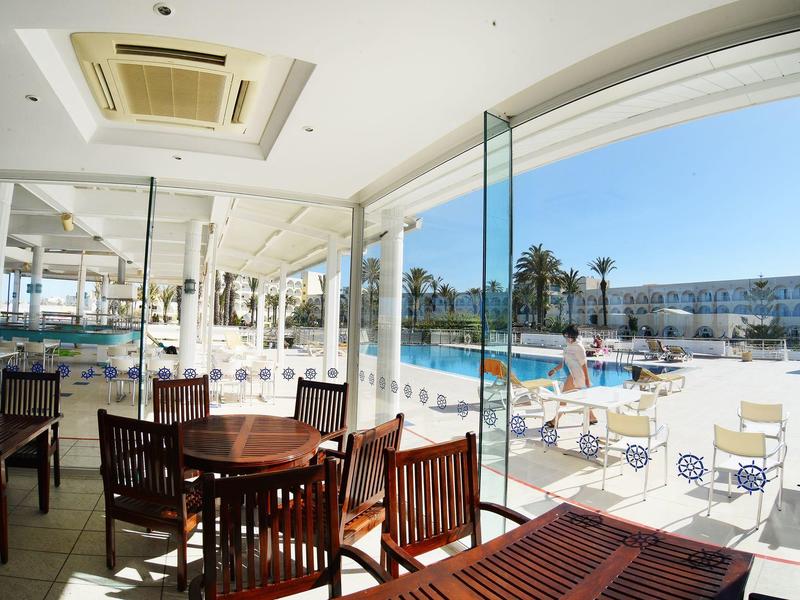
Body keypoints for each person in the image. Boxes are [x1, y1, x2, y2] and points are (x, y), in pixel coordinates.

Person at [545, 324, 596, 427]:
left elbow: (583, 363)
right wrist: (554, 370)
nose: (565, 338)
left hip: (576, 376)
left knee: (563, 397)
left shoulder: (578, 347)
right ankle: (592, 417)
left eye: (566, 335)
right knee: (581, 397)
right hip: (572, 375)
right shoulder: (570, 346)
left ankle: (555, 420)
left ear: (571, 336)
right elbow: (565, 362)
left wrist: (587, 378)